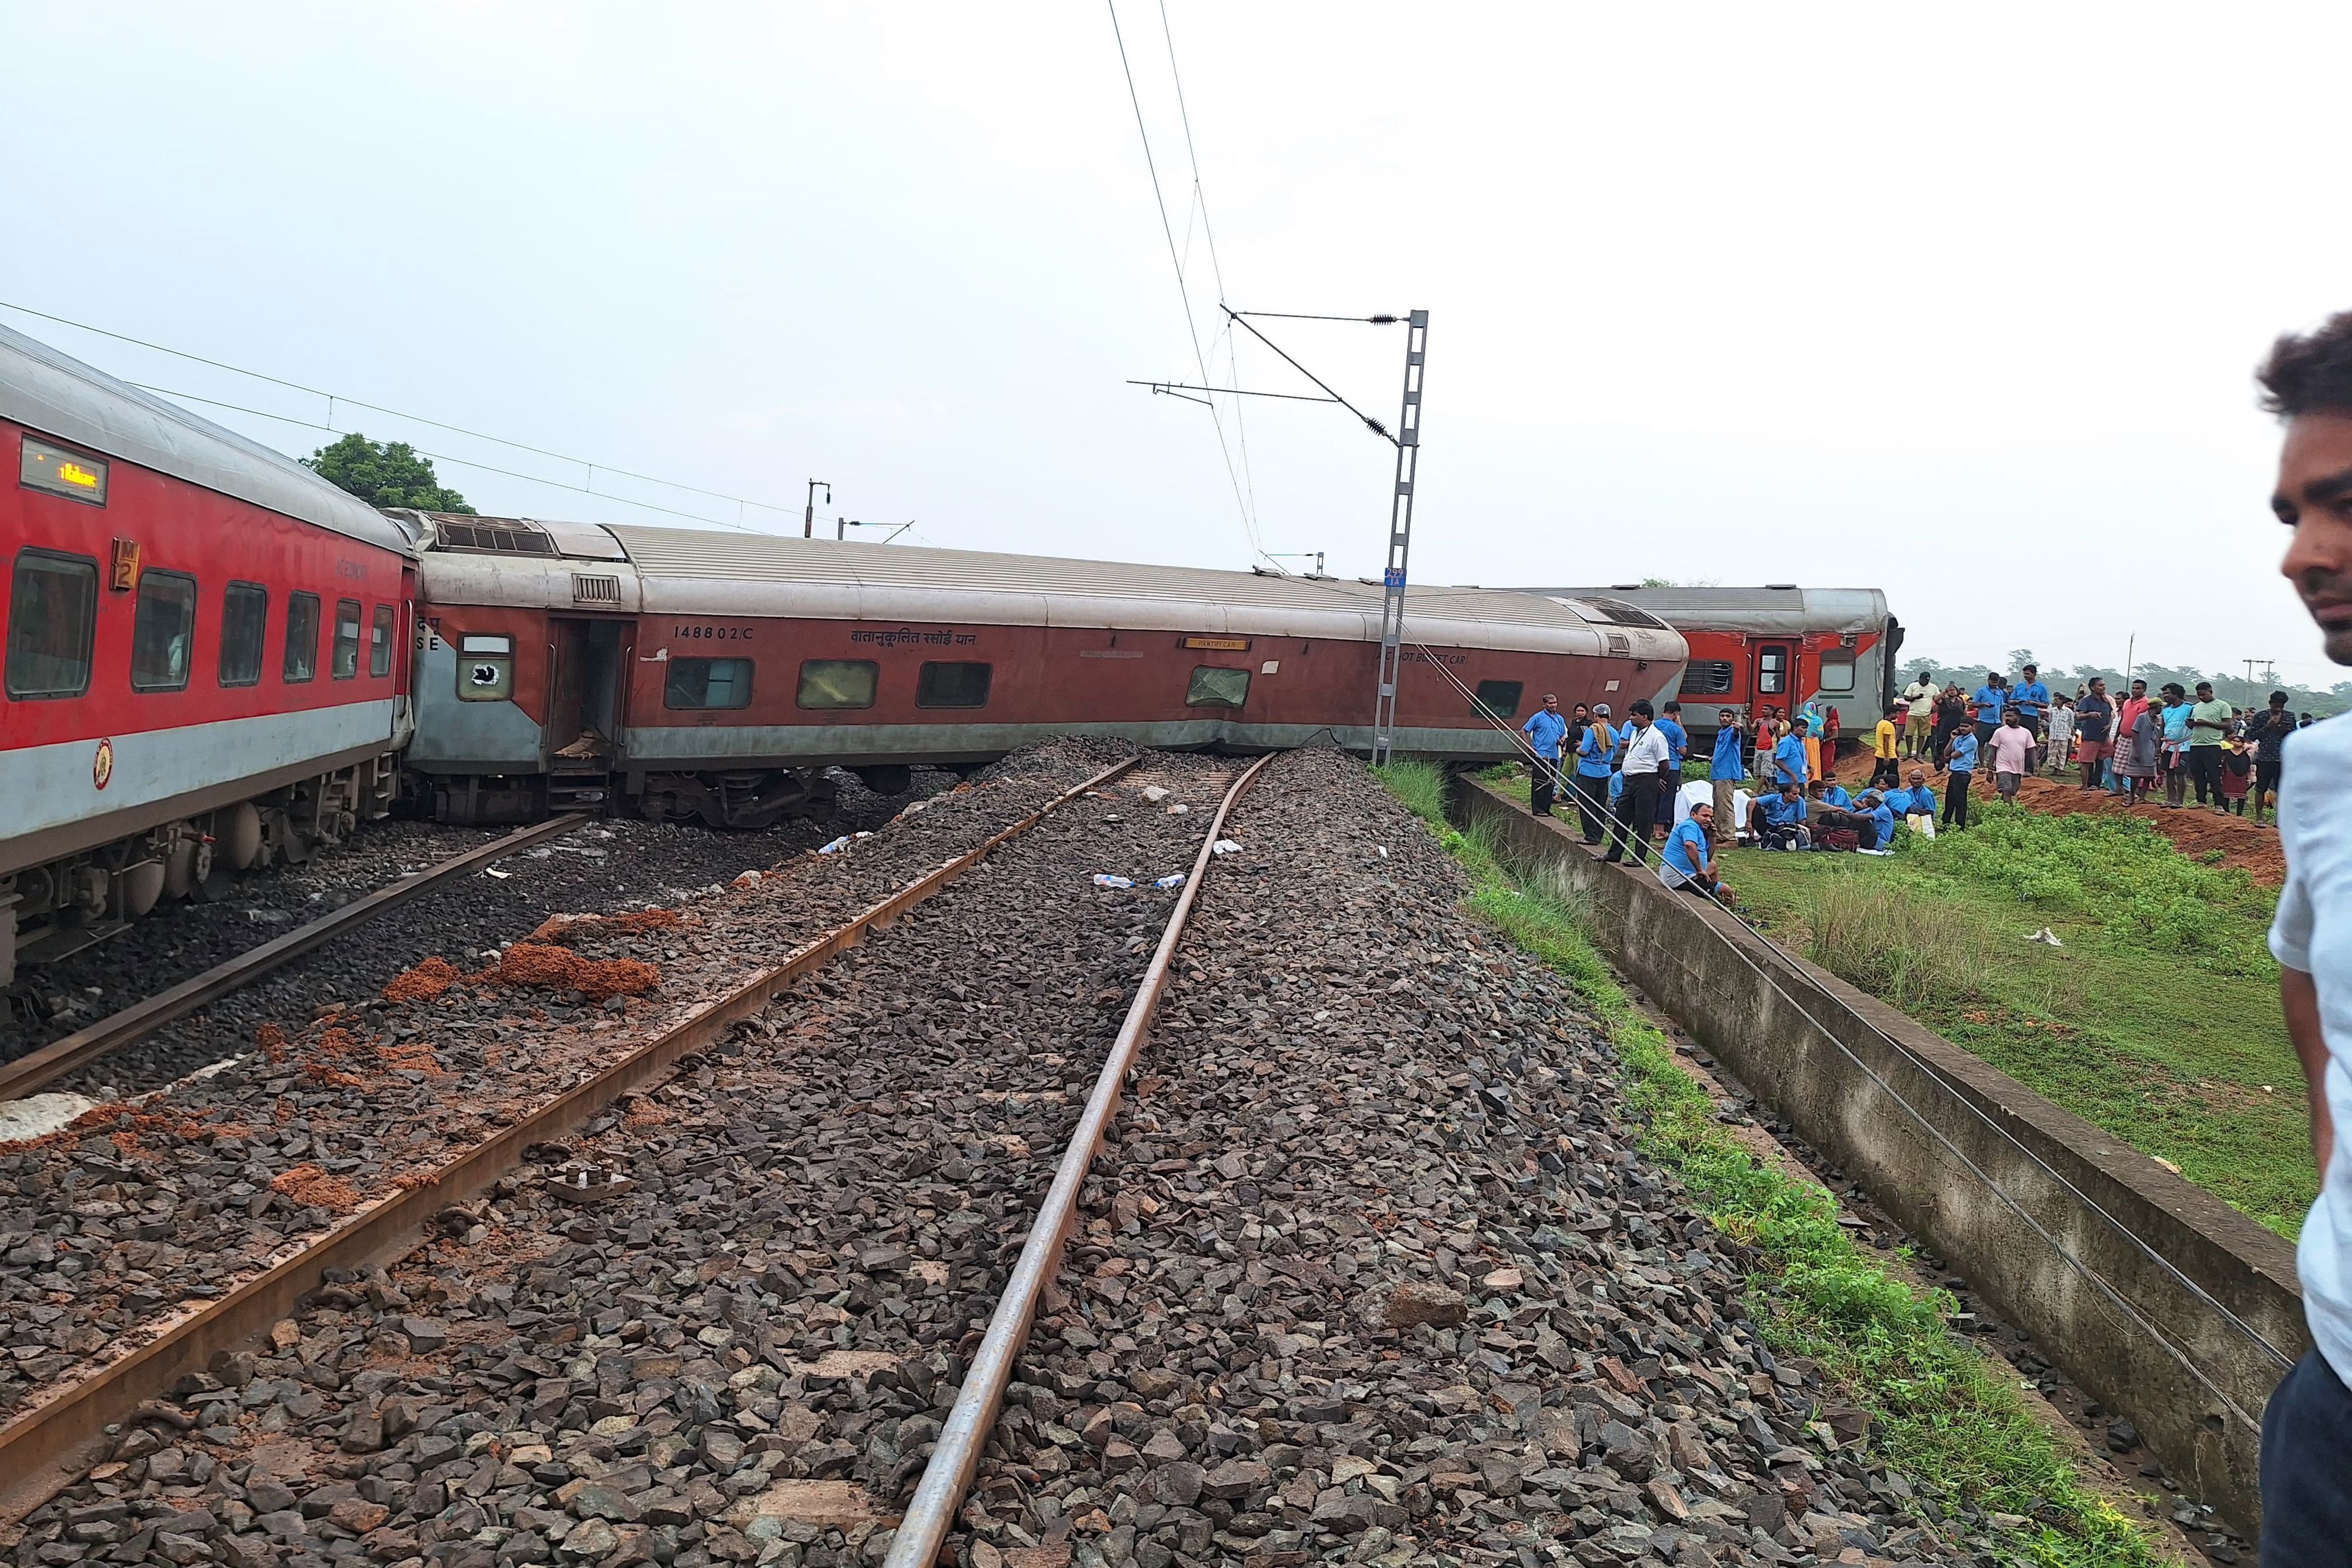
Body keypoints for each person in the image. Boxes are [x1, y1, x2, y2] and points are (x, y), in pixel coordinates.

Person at [2250, 308, 2352, 1562]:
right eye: (2290, 516)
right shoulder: (2322, 775)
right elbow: (2298, 969)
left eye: (2343, 502)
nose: (2302, 555)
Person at [1603, 699, 1672, 867]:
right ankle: (1615, 853)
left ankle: (1639, 857)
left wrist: (1656, 779)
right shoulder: (1635, 733)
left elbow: (1665, 764)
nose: (1630, 718)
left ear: (1645, 717)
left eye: (1634, 715)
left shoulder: (1656, 737)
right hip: (1630, 780)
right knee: (1621, 816)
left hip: (1646, 780)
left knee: (1643, 819)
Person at [1659, 801, 1730, 900]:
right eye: (1705, 816)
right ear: (1693, 815)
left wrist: (1713, 836)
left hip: (1687, 872)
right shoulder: (1690, 826)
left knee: (1712, 865)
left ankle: (1716, 894)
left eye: (1711, 817)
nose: (1709, 820)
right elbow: (1689, 846)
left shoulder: (1699, 829)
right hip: (1679, 876)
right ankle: (1725, 901)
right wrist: (1700, 870)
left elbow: (1708, 857)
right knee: (1726, 889)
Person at [1572, 703, 1617, 844]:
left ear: (1596, 715)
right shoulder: (1614, 732)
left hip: (1588, 772)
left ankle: (1590, 836)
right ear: (1609, 716)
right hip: (1605, 771)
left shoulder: (1592, 730)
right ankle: (1598, 835)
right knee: (1600, 804)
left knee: (1587, 804)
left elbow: (1584, 751)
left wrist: (1577, 750)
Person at [2250, 689, 2296, 826]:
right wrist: (2268, 727)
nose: (2278, 707)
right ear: (2270, 703)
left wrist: (2284, 731)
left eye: (2281, 705)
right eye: (2276, 704)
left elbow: (2294, 737)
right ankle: (2259, 817)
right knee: (2261, 788)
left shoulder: (2290, 717)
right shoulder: (2261, 716)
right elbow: (2252, 736)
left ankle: (2280, 820)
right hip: (2264, 757)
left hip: (2283, 758)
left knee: (2282, 790)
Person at [2189, 680, 2235, 813]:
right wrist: (2192, 724)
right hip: (2196, 744)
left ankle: (2219, 804)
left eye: (2203, 695)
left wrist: (2206, 723)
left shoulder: (2222, 705)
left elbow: (2227, 725)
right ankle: (2201, 801)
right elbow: (2195, 722)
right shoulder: (2196, 707)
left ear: (2210, 692)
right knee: (2198, 775)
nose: (2201, 697)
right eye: (2199, 695)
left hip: (2212, 745)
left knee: (2214, 775)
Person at [1521, 693, 1568, 817]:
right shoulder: (1538, 717)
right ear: (1544, 705)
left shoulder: (1560, 719)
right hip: (1541, 754)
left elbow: (1562, 734)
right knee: (1539, 781)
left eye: (1555, 703)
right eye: (1550, 703)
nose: (1553, 705)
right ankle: (1537, 809)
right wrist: (1529, 746)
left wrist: (1561, 740)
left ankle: (1546, 808)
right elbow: (1524, 731)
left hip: (1554, 754)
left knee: (1551, 782)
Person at [1709, 706, 1746, 844]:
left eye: (1727, 716)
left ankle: (1730, 838)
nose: (1724, 718)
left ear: (1732, 719)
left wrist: (1737, 728)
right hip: (1718, 773)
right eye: (1722, 716)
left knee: (1725, 806)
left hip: (1726, 774)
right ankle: (1719, 835)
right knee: (1718, 806)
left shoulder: (1732, 731)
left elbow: (1736, 735)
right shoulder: (1721, 732)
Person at [2116, 691, 2160, 805]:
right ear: (2156, 707)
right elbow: (2135, 732)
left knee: (2148, 775)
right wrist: (2136, 750)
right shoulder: (2141, 717)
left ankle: (2142, 797)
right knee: (2135, 776)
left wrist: (2157, 749)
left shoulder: (2155, 720)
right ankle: (2131, 797)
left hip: (2150, 750)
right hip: (2140, 749)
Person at [2074, 676, 2115, 791]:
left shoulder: (2105, 700)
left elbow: (2111, 714)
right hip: (2091, 736)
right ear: (2093, 687)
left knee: (2103, 759)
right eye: (2101, 685)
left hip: (2103, 737)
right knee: (2086, 762)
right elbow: (2078, 715)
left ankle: (2097, 784)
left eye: (2104, 685)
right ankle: (2085, 787)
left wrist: (2109, 725)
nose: (2104, 687)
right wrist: (2090, 715)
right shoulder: (2086, 701)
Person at [1988, 706, 2034, 803]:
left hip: (2018, 768)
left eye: (2011, 716)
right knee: (2007, 789)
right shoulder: (1999, 732)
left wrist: (2036, 766)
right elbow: (1993, 750)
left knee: (2012, 791)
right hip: (2002, 766)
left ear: (2018, 718)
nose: (2008, 718)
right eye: (2006, 716)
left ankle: (2000, 808)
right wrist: (1990, 769)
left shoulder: (2026, 733)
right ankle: (2009, 813)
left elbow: (2032, 750)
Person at [2012, 663, 2051, 770]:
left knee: (2030, 742)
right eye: (2025, 674)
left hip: (2031, 716)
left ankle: (2029, 768)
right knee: (2015, 741)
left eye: (2028, 674)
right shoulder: (2019, 686)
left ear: (2034, 674)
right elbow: (2010, 700)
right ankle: (2015, 765)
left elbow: (2046, 704)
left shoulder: (2041, 688)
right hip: (2018, 716)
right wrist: (2017, 701)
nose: (2026, 676)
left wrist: (2034, 703)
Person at [1750, 780, 1811, 851]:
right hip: (1769, 826)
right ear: (1786, 794)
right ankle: (1751, 837)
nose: (1797, 796)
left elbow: (1802, 821)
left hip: (1787, 829)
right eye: (1794, 794)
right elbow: (1752, 802)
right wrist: (1748, 821)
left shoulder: (1800, 801)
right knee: (1755, 808)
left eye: (1798, 794)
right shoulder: (1774, 797)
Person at [1657, 701, 1690, 825]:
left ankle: (1654, 827)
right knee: (1668, 797)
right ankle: (1662, 827)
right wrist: (1679, 723)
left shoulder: (1653, 726)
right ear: (1676, 714)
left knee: (1656, 796)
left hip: (1656, 766)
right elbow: (1683, 749)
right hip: (1672, 766)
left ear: (1663, 711)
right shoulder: (1676, 729)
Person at [1943, 722, 1978, 829]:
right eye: (1961, 726)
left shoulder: (1972, 740)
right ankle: (1946, 823)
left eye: (1966, 726)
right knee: (1950, 800)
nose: (1963, 728)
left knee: (1960, 801)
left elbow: (1954, 755)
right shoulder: (1958, 739)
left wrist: (1952, 754)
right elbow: (1946, 753)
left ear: (1973, 727)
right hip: (1955, 772)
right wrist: (1952, 739)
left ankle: (1960, 826)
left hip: (1963, 773)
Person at [1900, 667, 1938, 757]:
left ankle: (1918, 754)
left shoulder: (1933, 687)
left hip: (1926, 715)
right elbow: (1906, 697)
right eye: (1923, 680)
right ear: (1920, 679)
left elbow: (1937, 699)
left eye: (1926, 681)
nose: (1924, 682)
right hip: (1913, 713)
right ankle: (1909, 753)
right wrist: (1915, 698)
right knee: (1909, 734)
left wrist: (1935, 708)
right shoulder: (1913, 686)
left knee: (1923, 735)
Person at [1970, 671, 2009, 750]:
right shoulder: (1981, 691)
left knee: (1996, 745)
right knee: (1981, 743)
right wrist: (1983, 704)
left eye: (1996, 682)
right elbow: (1973, 704)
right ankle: (1981, 762)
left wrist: (2003, 721)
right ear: (1988, 680)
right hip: (1984, 721)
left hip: (1997, 722)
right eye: (1993, 682)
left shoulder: (2000, 692)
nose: (1995, 684)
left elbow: (2001, 707)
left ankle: (1992, 762)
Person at [1772, 716, 1812, 790]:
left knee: (1801, 801)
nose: (1806, 730)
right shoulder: (1786, 742)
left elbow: (1797, 758)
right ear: (1795, 728)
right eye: (1803, 728)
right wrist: (1792, 774)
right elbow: (1778, 761)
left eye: (1806, 728)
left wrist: (1809, 767)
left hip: (1800, 780)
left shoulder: (1801, 742)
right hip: (1788, 782)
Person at [1871, 704, 1903, 790]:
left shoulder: (1881, 723)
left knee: (1878, 774)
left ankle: (1871, 788)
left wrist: (1896, 750)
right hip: (1888, 755)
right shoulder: (1888, 725)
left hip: (1881, 753)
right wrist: (1887, 757)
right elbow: (1887, 741)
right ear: (1891, 713)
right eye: (1896, 714)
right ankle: (1895, 791)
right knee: (1894, 777)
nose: (1898, 716)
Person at [2044, 693, 2077, 777]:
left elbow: (2071, 723)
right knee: (2053, 753)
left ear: (2062, 701)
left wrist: (2068, 732)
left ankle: (2060, 770)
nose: (2055, 701)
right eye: (2055, 700)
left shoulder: (2069, 711)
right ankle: (2055, 770)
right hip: (2054, 735)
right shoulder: (2052, 711)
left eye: (2057, 700)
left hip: (2064, 735)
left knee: (2062, 753)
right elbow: (2051, 721)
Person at [2222, 735, 2253, 817]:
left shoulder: (2246, 755)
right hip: (2228, 775)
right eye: (2234, 741)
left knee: (2242, 796)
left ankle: (2239, 814)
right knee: (2226, 794)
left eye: (2238, 741)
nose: (2235, 743)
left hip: (2242, 777)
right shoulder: (2226, 752)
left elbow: (2248, 767)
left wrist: (2249, 778)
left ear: (2243, 743)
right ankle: (2227, 812)